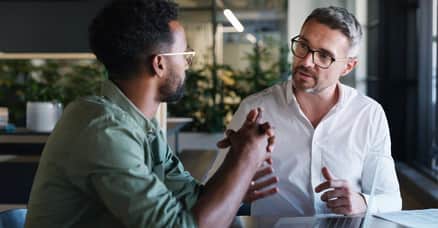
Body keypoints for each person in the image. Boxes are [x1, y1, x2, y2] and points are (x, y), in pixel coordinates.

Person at [25, 0, 275, 227]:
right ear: (160, 64)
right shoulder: (103, 130)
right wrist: (246, 158)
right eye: (185, 55)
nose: (188, 65)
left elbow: (193, 201)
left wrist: (238, 157)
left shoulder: (143, 127)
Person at [211, 6, 402, 216]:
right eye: (303, 46)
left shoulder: (369, 114)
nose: (306, 61)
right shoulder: (255, 110)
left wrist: (363, 203)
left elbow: (391, 199)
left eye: (324, 56)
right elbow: (210, 192)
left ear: (348, 67)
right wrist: (235, 193)